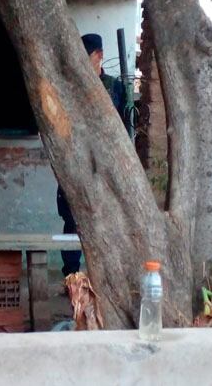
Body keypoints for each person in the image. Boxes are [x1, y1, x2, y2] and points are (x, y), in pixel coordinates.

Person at [57, 33, 131, 276]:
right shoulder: (68, 87)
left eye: (84, 56)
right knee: (72, 222)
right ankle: (71, 277)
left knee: (106, 225)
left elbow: (122, 133)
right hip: (76, 165)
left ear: (98, 56)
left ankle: (105, 277)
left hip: (104, 168)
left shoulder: (115, 88)